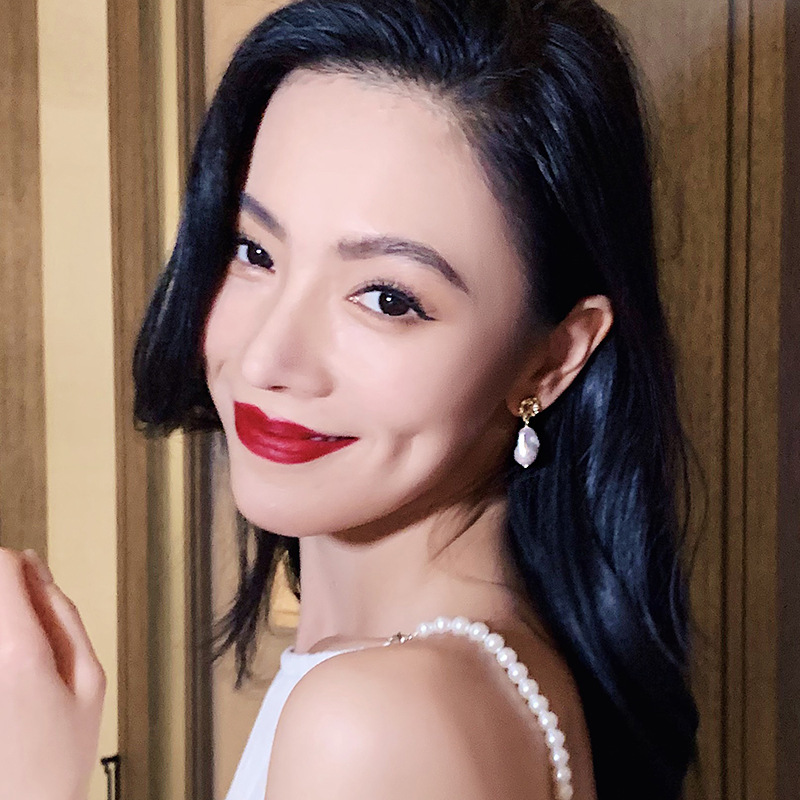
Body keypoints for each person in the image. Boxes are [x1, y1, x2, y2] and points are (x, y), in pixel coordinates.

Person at [0, 0, 700, 798]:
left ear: (552, 359)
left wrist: (34, 782)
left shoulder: (375, 724)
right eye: (252, 250)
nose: (267, 357)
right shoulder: (458, 675)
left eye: (387, 298)